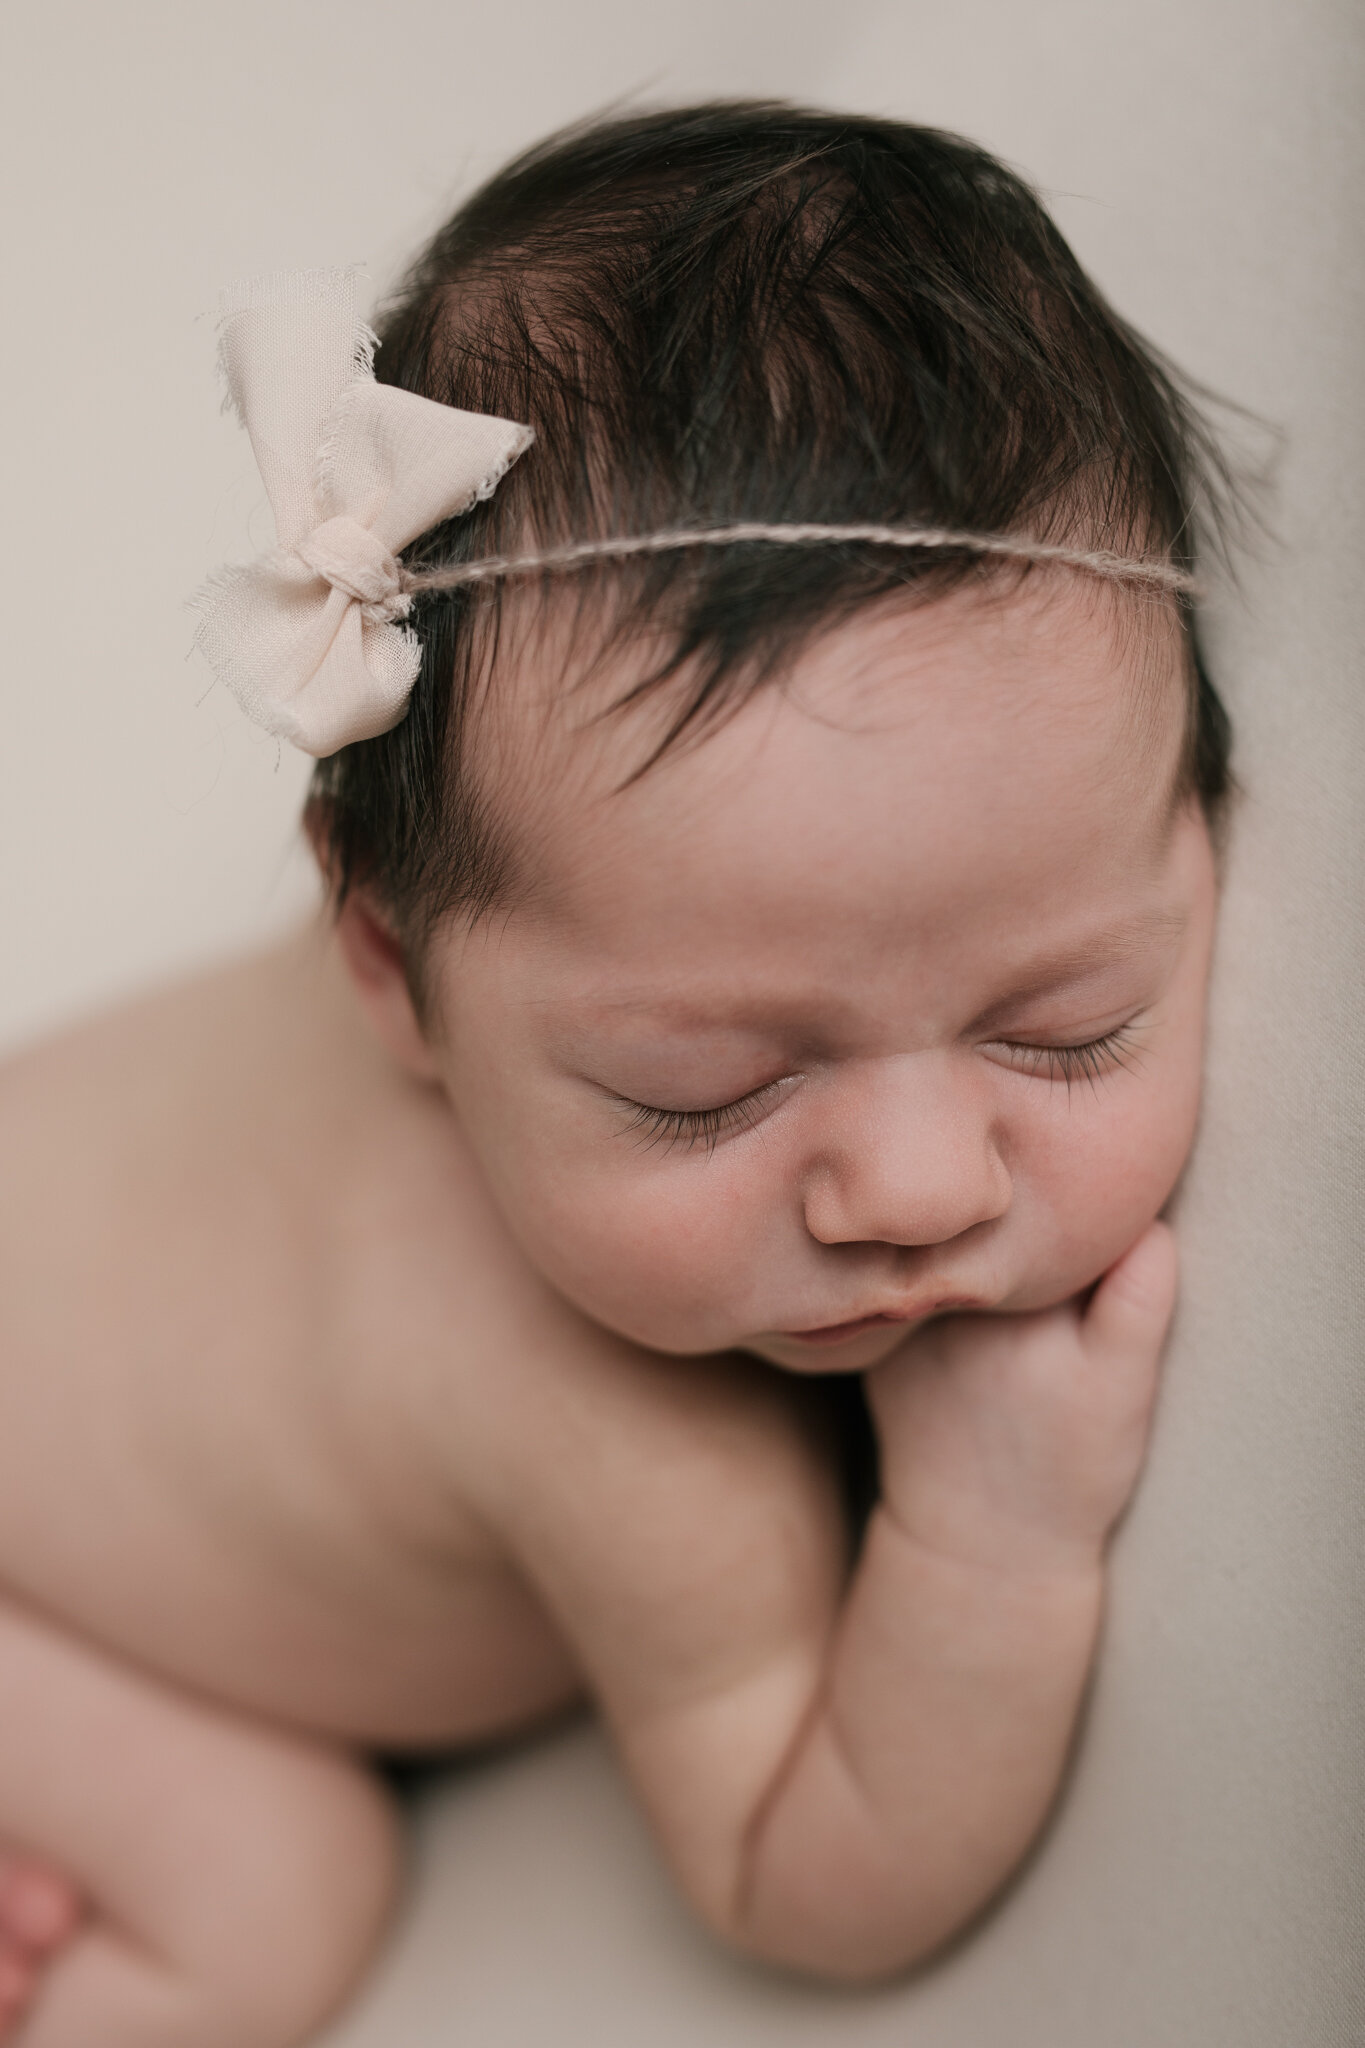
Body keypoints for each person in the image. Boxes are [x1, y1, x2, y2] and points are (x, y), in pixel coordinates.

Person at [0, 101, 1240, 2047]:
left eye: (1057, 1024)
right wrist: (987, 1539)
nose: (916, 1186)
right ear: (390, 969)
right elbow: (794, 1882)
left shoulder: (583, 910)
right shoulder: (629, 1444)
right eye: (703, 1091)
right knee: (271, 1893)